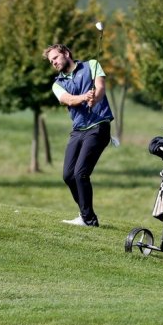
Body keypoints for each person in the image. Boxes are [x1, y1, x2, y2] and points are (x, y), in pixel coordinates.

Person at [43, 43, 114, 227]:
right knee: (68, 175)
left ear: (66, 53)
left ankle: (89, 220)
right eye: (51, 61)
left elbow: (100, 87)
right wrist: (84, 97)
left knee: (80, 173)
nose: (54, 63)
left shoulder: (92, 64)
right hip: (78, 130)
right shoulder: (57, 84)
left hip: (98, 126)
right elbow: (67, 99)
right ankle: (85, 214)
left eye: (56, 58)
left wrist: (94, 97)